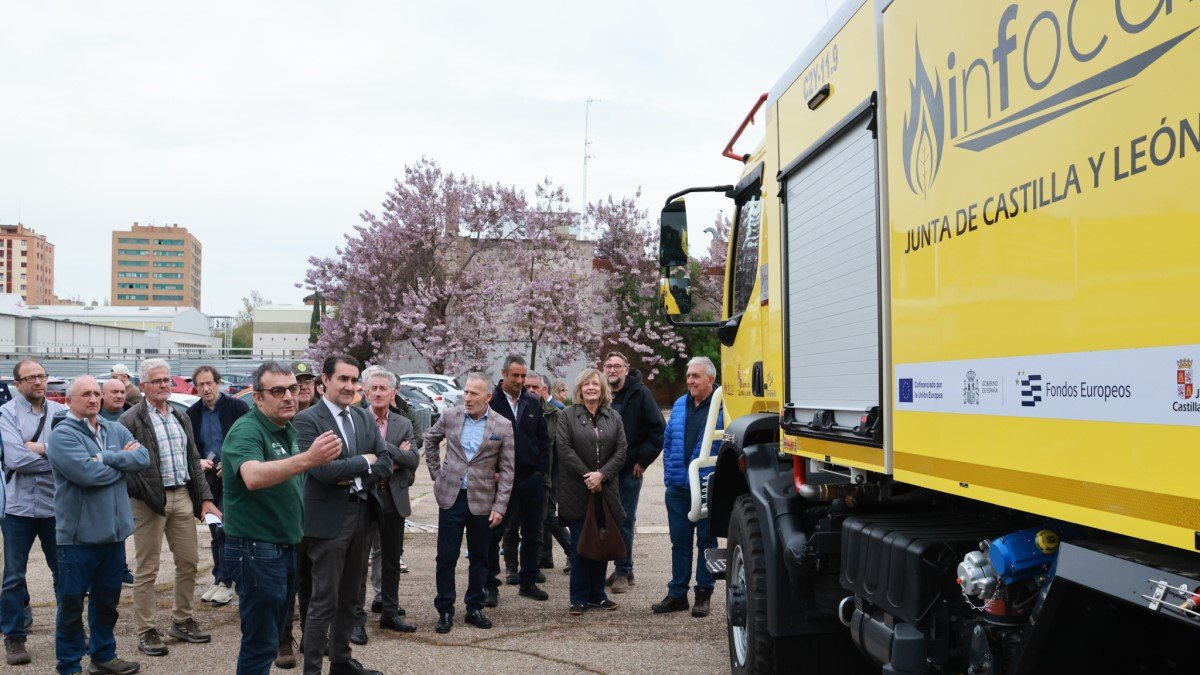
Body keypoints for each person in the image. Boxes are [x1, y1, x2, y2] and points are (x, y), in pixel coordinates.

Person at [222, 362, 341, 675]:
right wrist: (308, 459)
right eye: (278, 391)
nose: (290, 395)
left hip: (282, 547)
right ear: (258, 398)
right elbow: (252, 475)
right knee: (261, 642)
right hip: (256, 550)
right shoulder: (247, 429)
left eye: (292, 388)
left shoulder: (286, 427)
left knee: (270, 635)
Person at [293, 355, 393, 675]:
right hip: (328, 522)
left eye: (354, 380)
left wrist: (353, 471)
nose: (350, 386)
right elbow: (321, 470)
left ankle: (340, 661)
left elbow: (386, 461)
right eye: (343, 379)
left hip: (362, 514)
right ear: (325, 380)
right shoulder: (308, 420)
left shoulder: (363, 418)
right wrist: (365, 462)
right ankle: (312, 669)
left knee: (351, 596)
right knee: (324, 601)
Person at [47, 376, 150, 675]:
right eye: (85, 394)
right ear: (69, 401)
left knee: (107, 603)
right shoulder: (62, 435)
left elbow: (142, 457)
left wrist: (105, 458)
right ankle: (68, 665)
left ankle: (103, 656)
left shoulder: (113, 428)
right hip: (78, 539)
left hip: (113, 538)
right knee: (70, 606)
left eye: (96, 393)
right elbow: (87, 476)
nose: (93, 399)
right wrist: (121, 466)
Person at [120, 358, 220, 656]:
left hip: (181, 496)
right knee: (148, 568)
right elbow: (124, 464)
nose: (164, 385)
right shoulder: (130, 420)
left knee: (188, 562)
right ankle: (147, 630)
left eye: (166, 380)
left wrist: (205, 498)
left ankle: (182, 619)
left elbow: (193, 459)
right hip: (149, 501)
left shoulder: (180, 415)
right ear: (143, 386)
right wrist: (141, 492)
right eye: (157, 381)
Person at [424, 372, 514, 634]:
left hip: (483, 500)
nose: (467, 397)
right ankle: (445, 609)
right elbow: (430, 439)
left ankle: (474, 606)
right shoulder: (451, 415)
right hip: (451, 497)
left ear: (488, 396)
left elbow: (508, 470)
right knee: (446, 557)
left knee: (480, 557)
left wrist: (500, 506)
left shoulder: (503, 425)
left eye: (474, 393)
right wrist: (436, 473)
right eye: (465, 392)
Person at [0, 358, 67, 666]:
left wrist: (40, 448)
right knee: (14, 576)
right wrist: (54, 456)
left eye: (41, 376)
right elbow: (14, 459)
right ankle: (14, 636)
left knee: (64, 573)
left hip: (56, 507)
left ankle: (70, 632)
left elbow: (73, 456)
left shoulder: (60, 412)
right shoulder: (6, 413)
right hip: (19, 509)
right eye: (30, 378)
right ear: (18, 384)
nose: (38, 382)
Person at [352, 367, 419, 643]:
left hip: (393, 498)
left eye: (383, 388)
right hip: (364, 498)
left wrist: (379, 450)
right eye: (373, 388)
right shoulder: (355, 420)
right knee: (358, 562)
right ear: (365, 392)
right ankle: (356, 620)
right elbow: (355, 460)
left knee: (391, 560)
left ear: (393, 393)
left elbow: (413, 460)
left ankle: (390, 612)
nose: (378, 393)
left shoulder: (403, 423)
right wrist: (393, 455)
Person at [652, 356, 722, 618]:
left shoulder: (723, 406)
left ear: (710, 379)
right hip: (679, 489)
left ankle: (703, 594)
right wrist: (670, 476)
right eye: (689, 375)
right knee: (679, 542)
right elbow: (668, 442)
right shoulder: (681, 404)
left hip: (707, 487)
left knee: (706, 541)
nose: (690, 380)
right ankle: (677, 593)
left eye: (696, 376)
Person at [556, 368, 627, 615]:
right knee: (580, 545)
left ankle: (598, 595)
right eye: (586, 384)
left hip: (605, 490)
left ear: (603, 388)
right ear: (579, 389)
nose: (591, 388)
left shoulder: (613, 417)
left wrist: (602, 475)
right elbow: (563, 449)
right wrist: (588, 476)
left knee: (601, 541)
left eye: (595, 384)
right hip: (578, 490)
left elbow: (621, 450)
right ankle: (578, 597)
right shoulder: (567, 415)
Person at [486, 355, 551, 605]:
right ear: (504, 374)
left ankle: (528, 581)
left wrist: (540, 472)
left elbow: (543, 440)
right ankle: (490, 585)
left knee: (533, 532)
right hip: (500, 480)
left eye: (523, 376)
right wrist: (490, 472)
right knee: (494, 534)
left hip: (530, 478)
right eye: (516, 376)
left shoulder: (532, 401)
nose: (520, 381)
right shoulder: (491, 402)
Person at [187, 365, 250, 608]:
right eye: (200, 385)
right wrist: (198, 460)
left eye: (209, 383)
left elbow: (247, 439)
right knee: (215, 530)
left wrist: (233, 461)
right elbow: (191, 446)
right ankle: (219, 578)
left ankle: (227, 582)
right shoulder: (192, 413)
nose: (205, 388)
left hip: (234, 477)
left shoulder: (238, 407)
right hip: (209, 479)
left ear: (218, 383)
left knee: (228, 530)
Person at [603, 351, 665, 593]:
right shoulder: (603, 394)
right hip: (606, 470)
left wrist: (642, 460)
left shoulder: (640, 393)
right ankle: (626, 570)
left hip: (629, 470)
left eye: (617, 365)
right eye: (608, 365)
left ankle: (621, 571)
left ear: (626, 369)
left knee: (624, 520)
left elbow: (658, 430)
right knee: (609, 521)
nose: (612, 370)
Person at [277, 359, 318, 667]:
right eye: (296, 383)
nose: (301, 387)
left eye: (306, 381)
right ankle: (282, 641)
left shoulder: (322, 416)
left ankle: (311, 634)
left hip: (315, 508)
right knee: (286, 582)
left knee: (311, 579)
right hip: (285, 509)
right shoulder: (281, 418)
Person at [522, 372, 570, 573]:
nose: (531, 391)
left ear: (544, 390)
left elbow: (563, 450)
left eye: (535, 387)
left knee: (549, 517)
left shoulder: (556, 414)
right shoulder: (521, 411)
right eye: (528, 387)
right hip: (527, 477)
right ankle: (544, 558)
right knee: (536, 519)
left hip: (551, 476)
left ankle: (576, 551)